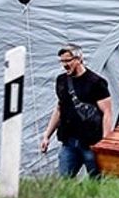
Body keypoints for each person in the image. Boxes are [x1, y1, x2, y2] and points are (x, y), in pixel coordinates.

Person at [40, 44, 112, 178]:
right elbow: (59, 108)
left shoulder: (96, 82)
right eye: (62, 61)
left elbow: (107, 112)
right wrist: (47, 135)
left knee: (97, 183)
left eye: (68, 60)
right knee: (64, 183)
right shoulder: (61, 81)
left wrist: (105, 142)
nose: (64, 65)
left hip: (92, 143)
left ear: (79, 59)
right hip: (69, 143)